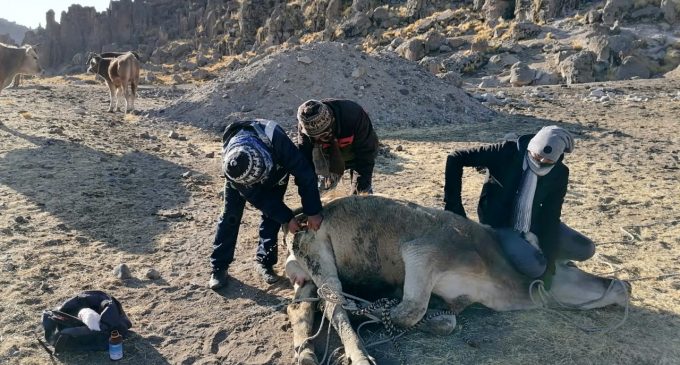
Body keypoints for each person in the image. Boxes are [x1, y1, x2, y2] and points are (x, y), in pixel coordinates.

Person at [443, 126, 595, 283]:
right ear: (531, 147)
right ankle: (518, 257)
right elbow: (456, 157)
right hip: (499, 224)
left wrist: (550, 262)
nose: (540, 163)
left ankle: (548, 259)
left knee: (586, 249)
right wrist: (454, 207)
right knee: (536, 268)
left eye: (548, 162)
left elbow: (551, 215)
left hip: (534, 220)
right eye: (536, 157)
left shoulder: (559, 173)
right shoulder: (505, 152)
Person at [209, 119, 323, 290]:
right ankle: (219, 267)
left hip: (276, 173)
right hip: (241, 181)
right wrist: (286, 217)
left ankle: (265, 262)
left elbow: (304, 174)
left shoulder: (277, 140)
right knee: (230, 216)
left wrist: (313, 211)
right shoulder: (233, 170)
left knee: (271, 218)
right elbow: (260, 199)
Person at [296, 99, 379, 194]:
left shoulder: (353, 116)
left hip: (356, 151)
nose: (318, 139)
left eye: (323, 135)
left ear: (332, 121)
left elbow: (365, 156)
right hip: (326, 156)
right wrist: (309, 194)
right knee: (322, 192)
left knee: (362, 191)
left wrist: (360, 190)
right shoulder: (305, 129)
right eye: (314, 137)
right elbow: (304, 165)